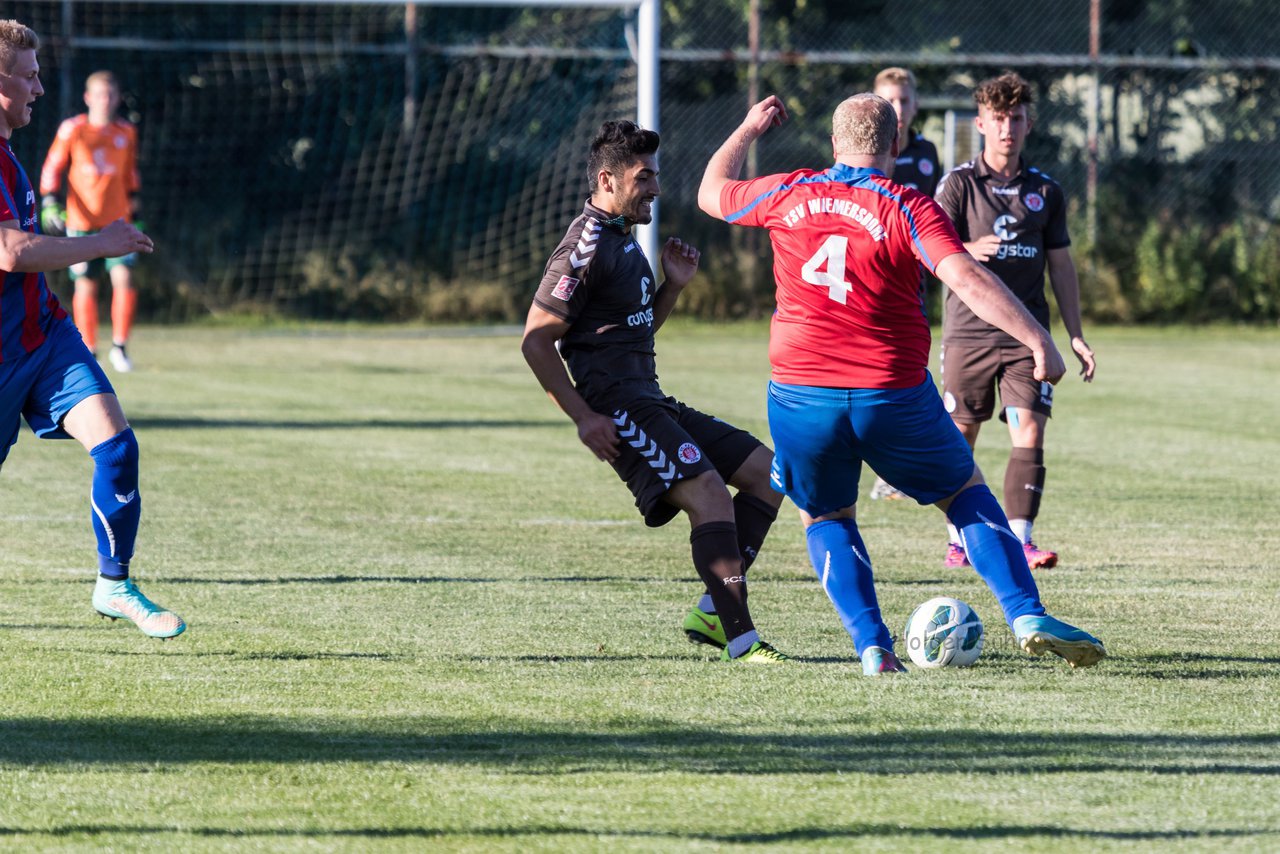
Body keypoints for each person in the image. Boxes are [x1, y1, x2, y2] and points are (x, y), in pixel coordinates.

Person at [698, 92, 1105, 674]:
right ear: (895, 144)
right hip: (888, 394)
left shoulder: (787, 190)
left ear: (834, 144)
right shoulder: (905, 204)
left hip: (799, 395)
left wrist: (747, 127)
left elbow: (710, 190)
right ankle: (1024, 612)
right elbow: (963, 275)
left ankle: (873, 649)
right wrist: (1040, 338)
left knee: (828, 519)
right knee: (963, 494)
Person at [521, 120, 787, 663]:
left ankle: (714, 614)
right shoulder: (585, 247)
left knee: (770, 474)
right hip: (620, 409)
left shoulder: (623, 240)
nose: (657, 188)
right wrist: (583, 417)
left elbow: (633, 331)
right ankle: (742, 640)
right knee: (710, 494)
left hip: (651, 399)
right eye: (645, 178)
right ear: (608, 180)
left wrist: (673, 287)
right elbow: (535, 342)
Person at [0, 20, 184, 639]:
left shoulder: (8, 153)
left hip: (44, 339)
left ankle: (114, 583)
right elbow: (11, 250)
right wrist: (97, 242)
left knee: (117, 445)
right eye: (28, 76)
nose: (40, 88)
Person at [933, 72, 1096, 570]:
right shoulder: (958, 184)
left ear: (1029, 124)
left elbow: (1061, 266)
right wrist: (965, 250)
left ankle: (1021, 539)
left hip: (1029, 335)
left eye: (1017, 119)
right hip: (969, 331)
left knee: (1029, 431)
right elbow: (925, 249)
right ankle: (960, 539)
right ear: (981, 123)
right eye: (999, 119)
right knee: (962, 434)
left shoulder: (1045, 191)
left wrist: (1074, 334)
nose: (1008, 129)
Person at [868, 66, 940, 501]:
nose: (898, 108)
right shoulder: (867, 154)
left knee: (910, 363)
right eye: (889, 100)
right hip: (872, 275)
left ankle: (900, 465)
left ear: (915, 105)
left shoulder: (928, 153)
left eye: (905, 100)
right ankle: (886, 464)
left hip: (914, 276)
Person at [39, 69, 141, 373]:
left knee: (124, 278)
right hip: (81, 223)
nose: (105, 101)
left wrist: (138, 214)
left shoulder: (126, 132)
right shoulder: (73, 130)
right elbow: (52, 166)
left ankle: (120, 347)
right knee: (86, 285)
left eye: (110, 95)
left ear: (117, 99)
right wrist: (49, 203)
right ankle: (90, 349)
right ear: (88, 98)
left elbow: (130, 176)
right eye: (99, 95)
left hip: (118, 223)